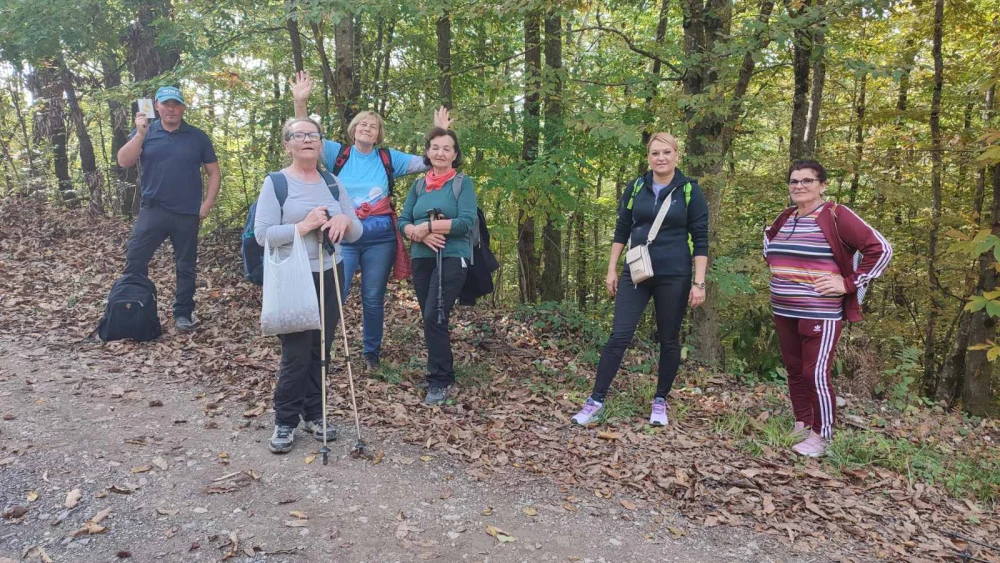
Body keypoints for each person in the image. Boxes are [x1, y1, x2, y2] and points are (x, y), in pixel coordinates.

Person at [292, 71, 450, 371]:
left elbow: (430, 159)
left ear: (378, 135)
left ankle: (371, 354)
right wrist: (301, 103)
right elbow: (307, 136)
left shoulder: (389, 158)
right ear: (354, 130)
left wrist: (438, 133)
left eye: (373, 126)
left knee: (373, 298)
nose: (367, 129)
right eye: (363, 124)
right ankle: (322, 351)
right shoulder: (337, 153)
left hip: (380, 238)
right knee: (334, 294)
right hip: (343, 235)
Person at [572, 132, 709, 427]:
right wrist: (611, 268)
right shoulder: (636, 187)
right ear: (648, 157)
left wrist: (699, 282)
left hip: (675, 274)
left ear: (676, 155)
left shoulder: (689, 191)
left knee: (669, 339)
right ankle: (595, 399)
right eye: (655, 153)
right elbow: (622, 229)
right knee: (619, 335)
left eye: (666, 152)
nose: (660, 158)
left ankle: (660, 401)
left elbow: (700, 239)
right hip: (636, 272)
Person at [763, 159, 891, 457]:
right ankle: (802, 423)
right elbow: (768, 244)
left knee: (815, 373)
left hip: (820, 313)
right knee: (794, 371)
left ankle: (823, 436)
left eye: (807, 181)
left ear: (822, 186)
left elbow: (881, 249)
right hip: (783, 309)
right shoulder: (787, 217)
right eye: (794, 181)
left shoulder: (837, 216)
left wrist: (848, 284)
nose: (799, 186)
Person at [253, 117, 363, 454]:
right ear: (287, 145)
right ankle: (285, 420)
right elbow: (263, 235)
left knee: (322, 346)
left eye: (313, 135)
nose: (307, 140)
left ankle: (315, 413)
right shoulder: (276, 183)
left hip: (331, 270)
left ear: (320, 143)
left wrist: (345, 219)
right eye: (298, 136)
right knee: (297, 348)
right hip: (294, 275)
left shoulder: (331, 182)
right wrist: (303, 227)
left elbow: (356, 230)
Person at [116, 86, 221, 332]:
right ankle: (133, 306)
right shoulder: (146, 132)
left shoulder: (197, 136)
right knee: (135, 259)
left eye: (176, 104)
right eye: (166, 104)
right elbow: (124, 161)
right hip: (153, 210)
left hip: (187, 213)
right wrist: (140, 134)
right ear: (157, 106)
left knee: (185, 265)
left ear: (183, 107)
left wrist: (206, 205)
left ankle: (183, 313)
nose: (172, 109)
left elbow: (214, 172)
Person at [397, 128, 477, 406]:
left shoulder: (462, 183)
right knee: (433, 317)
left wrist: (429, 226)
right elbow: (402, 219)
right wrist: (416, 232)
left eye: (446, 148)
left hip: (453, 256)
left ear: (455, 154)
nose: (440, 153)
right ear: (427, 152)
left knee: (435, 314)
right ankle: (444, 371)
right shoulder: (418, 186)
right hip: (422, 258)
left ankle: (439, 379)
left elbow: (467, 221)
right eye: (435, 147)